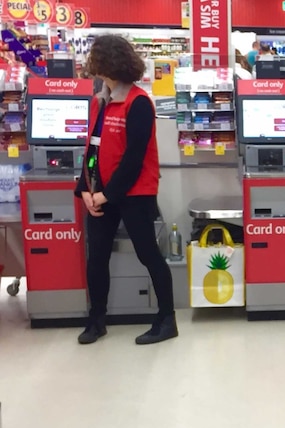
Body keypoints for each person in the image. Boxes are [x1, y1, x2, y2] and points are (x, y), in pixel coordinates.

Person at [74, 35, 178, 346]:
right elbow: (92, 147)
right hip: (100, 191)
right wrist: (85, 189)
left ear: (106, 63)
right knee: (97, 257)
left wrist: (107, 194)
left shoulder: (139, 102)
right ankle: (97, 319)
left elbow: (134, 158)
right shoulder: (99, 102)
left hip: (133, 193)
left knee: (148, 254)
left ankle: (167, 318)